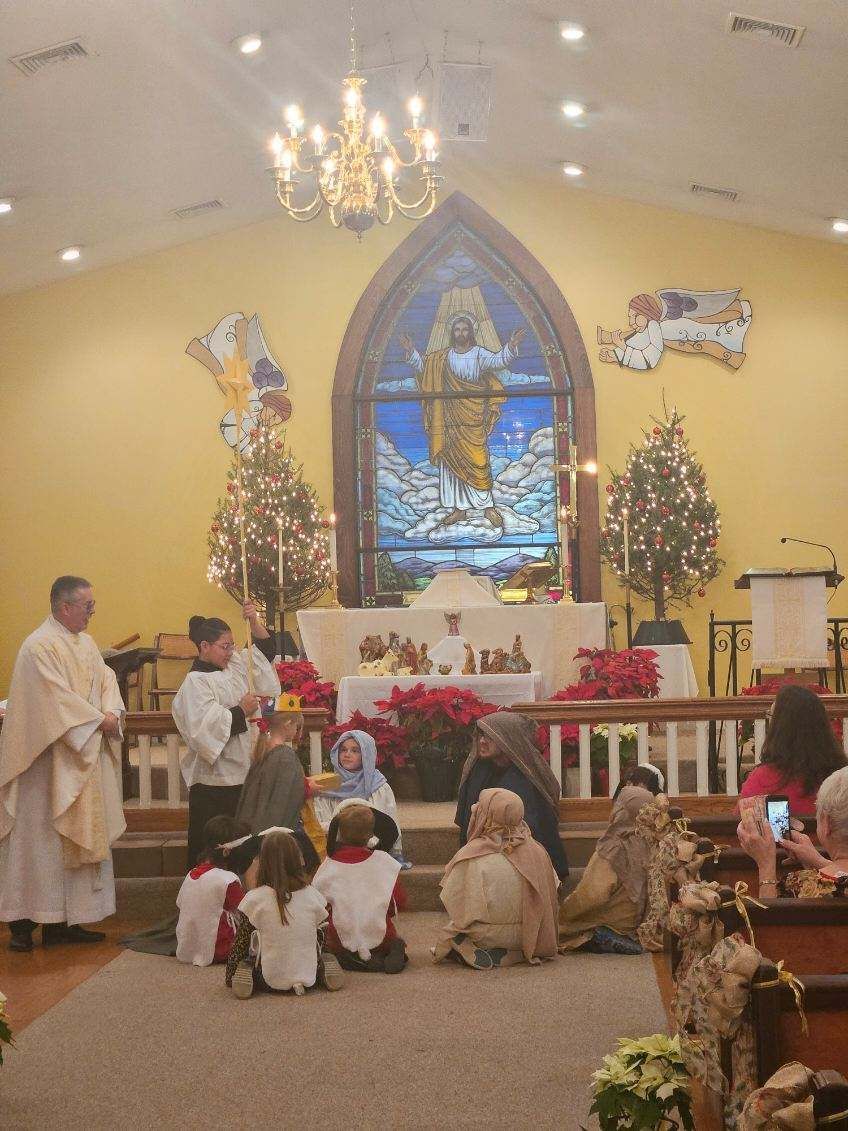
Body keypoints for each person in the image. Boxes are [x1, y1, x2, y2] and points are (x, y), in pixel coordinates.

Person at [0, 576, 126, 952]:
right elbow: (53, 700)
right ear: (65, 606)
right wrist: (98, 721)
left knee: (67, 846)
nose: (92, 611)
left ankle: (65, 923)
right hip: (44, 766)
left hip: (80, 758)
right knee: (38, 845)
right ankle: (23, 925)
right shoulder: (38, 647)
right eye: (88, 605)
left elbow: (107, 680)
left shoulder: (85, 643)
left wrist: (111, 712)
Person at [172, 603, 280, 867]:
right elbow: (202, 728)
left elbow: (265, 651)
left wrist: (253, 621)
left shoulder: (233, 665)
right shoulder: (195, 682)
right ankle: (208, 887)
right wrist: (241, 710)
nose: (231, 651)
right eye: (225, 646)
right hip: (214, 782)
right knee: (212, 848)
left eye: (232, 645)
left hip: (242, 771)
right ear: (205, 646)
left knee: (242, 844)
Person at [400, 316, 525, 528]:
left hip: (473, 418)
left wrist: (511, 345)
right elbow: (424, 368)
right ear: (452, 333)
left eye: (464, 329)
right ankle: (459, 509)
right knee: (451, 463)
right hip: (447, 419)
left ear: (471, 332)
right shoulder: (441, 358)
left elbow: (498, 361)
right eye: (457, 329)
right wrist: (411, 351)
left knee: (479, 461)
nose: (460, 333)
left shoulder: (478, 353)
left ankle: (488, 506)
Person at [434, 788, 559, 970]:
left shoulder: (471, 856)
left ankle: (481, 950)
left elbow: (458, 909)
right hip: (533, 934)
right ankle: (517, 952)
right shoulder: (539, 852)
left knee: (452, 931)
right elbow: (553, 890)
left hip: (488, 936)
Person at [226, 830, 343, 998]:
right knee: (317, 934)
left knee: (250, 951)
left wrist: (230, 974)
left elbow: (241, 942)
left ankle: (247, 967)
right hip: (309, 976)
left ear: (262, 863)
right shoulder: (312, 895)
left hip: (267, 979)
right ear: (298, 859)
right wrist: (325, 950)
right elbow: (323, 935)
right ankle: (322, 963)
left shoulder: (254, 898)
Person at [456, 713, 569, 881]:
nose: (481, 741)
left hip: (519, 860)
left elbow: (531, 831)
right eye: (481, 735)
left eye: (489, 736)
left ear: (508, 738)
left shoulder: (526, 780)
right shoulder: (478, 772)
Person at [559, 780, 658, 955]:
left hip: (611, 922)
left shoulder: (612, 847)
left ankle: (598, 936)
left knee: (559, 932)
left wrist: (563, 914)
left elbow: (593, 894)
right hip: (638, 925)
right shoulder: (651, 844)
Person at [312, 804, 407, 973]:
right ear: (371, 834)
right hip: (381, 934)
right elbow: (398, 901)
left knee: (332, 947)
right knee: (391, 939)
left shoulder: (328, 866)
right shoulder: (384, 862)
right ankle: (392, 950)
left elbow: (318, 906)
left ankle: (356, 960)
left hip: (340, 937)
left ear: (340, 833)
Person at [737, 766, 848, 899]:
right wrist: (819, 861)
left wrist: (766, 866)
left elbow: (768, 913)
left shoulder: (800, 887)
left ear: (827, 823)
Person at [739, 685, 847, 815]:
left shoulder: (762, 779)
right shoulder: (842, 778)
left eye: (771, 716)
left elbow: (741, 822)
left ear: (779, 728)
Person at [311, 730, 410, 868]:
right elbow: (321, 823)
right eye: (343, 750)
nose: (347, 754)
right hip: (336, 849)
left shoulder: (379, 787)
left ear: (366, 754)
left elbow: (387, 824)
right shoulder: (327, 785)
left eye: (355, 750)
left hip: (373, 849)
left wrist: (366, 842)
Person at [176, 815, 248, 966]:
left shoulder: (191, 874)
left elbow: (180, 903)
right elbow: (247, 911)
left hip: (189, 946)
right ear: (227, 852)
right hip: (220, 948)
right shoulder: (227, 880)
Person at [236, 694, 307, 835]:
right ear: (288, 724)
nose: (296, 730)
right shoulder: (285, 757)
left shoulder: (263, 751)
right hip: (272, 837)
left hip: (252, 831)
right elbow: (282, 803)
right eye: (297, 726)